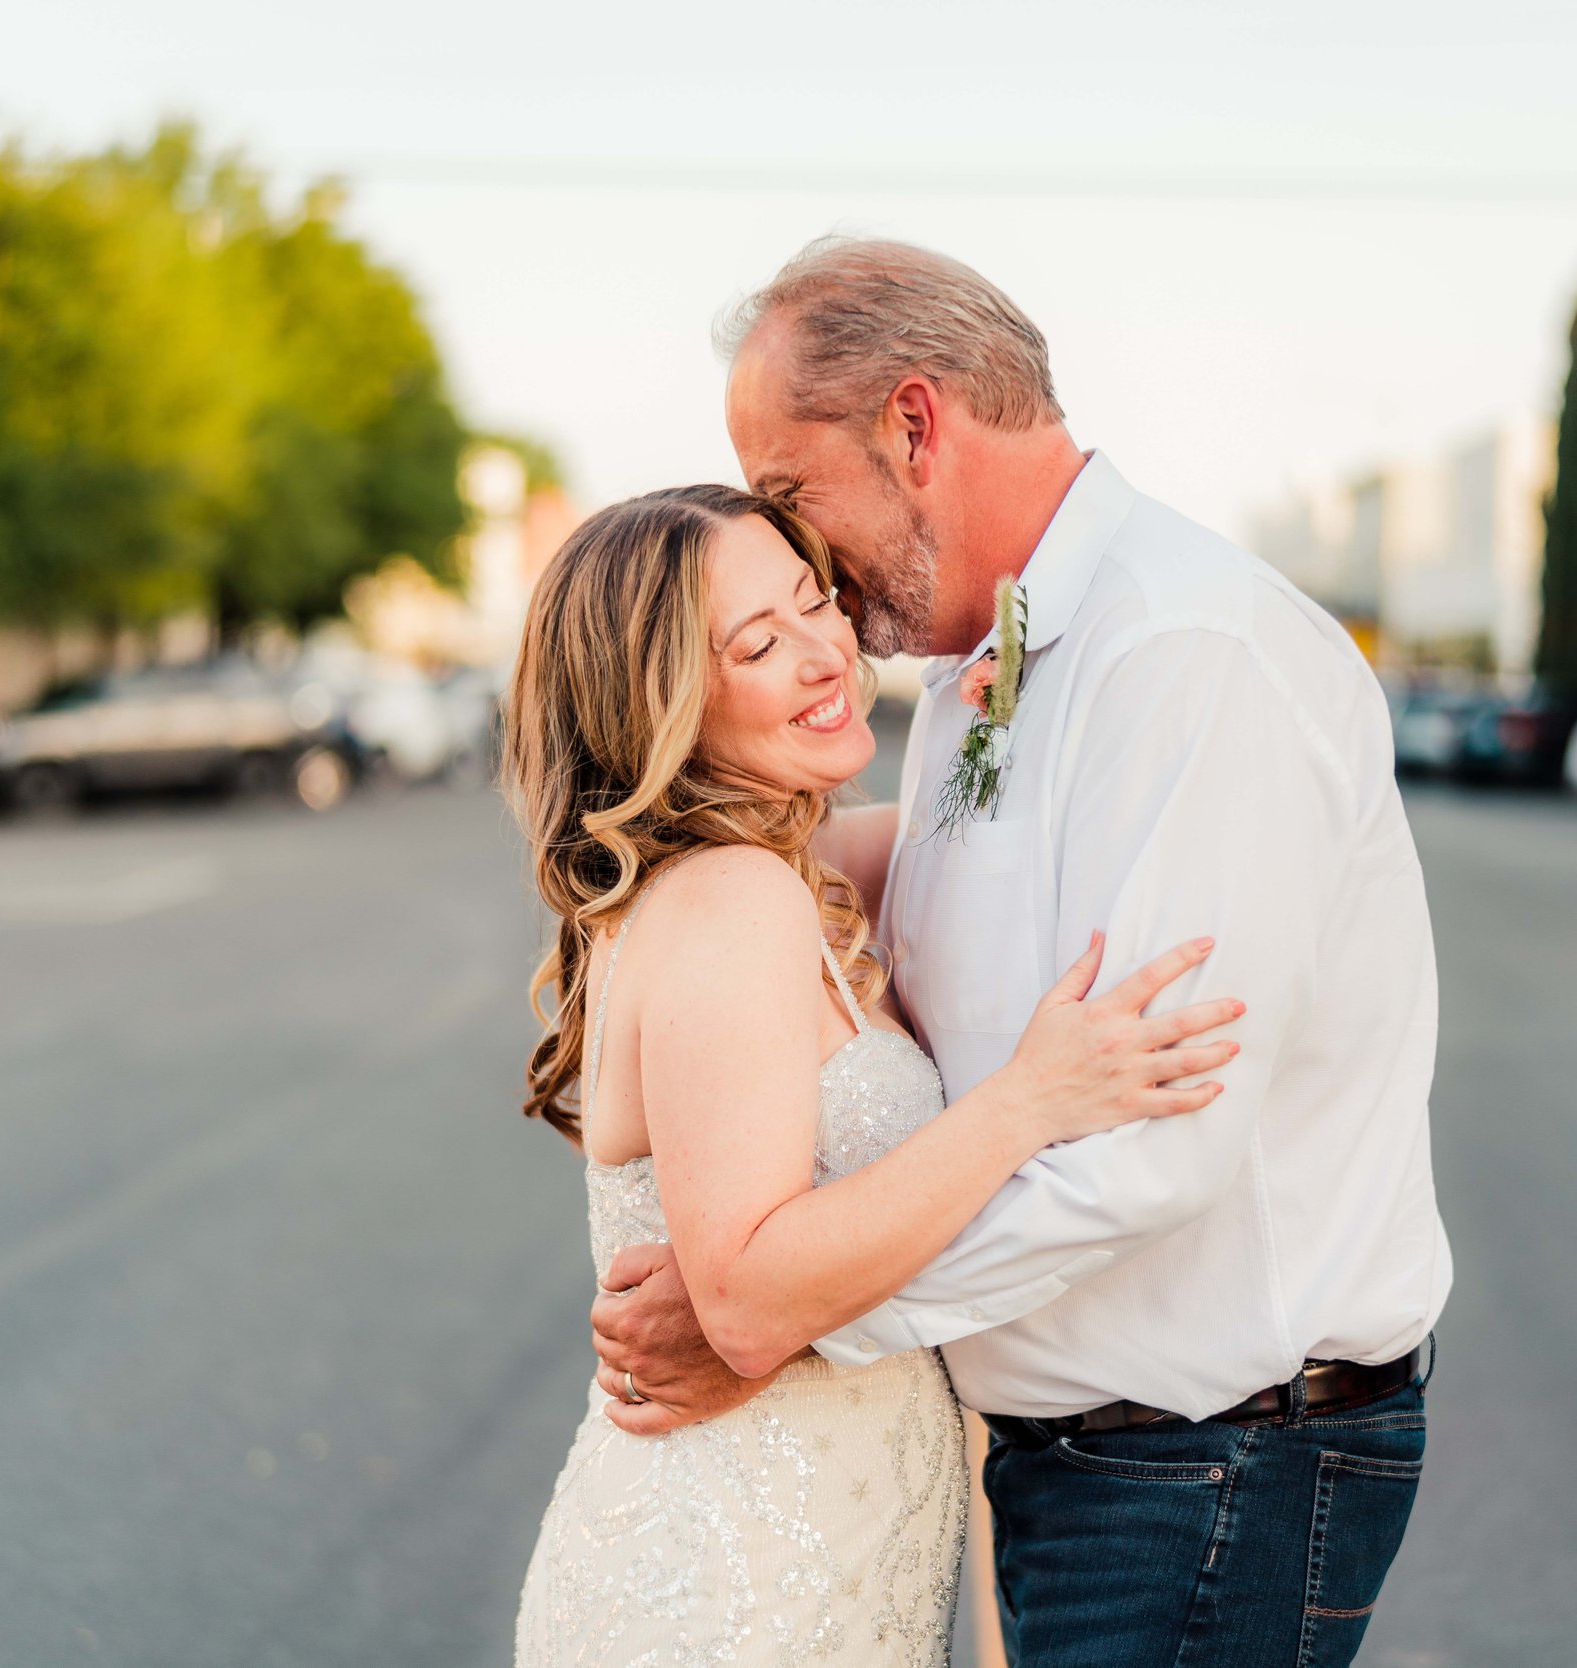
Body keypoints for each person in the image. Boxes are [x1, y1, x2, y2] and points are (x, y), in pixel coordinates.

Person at [590, 239, 1452, 1668]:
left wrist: (790, 1322)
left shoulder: (1183, 654)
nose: (802, 557)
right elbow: (885, 908)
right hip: (1088, 1466)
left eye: (793, 496)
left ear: (915, 427)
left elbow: (1148, 1153)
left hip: (1213, 1472)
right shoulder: (980, 666)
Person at [503, 485, 1245, 1665]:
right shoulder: (732, 899)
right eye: (757, 645)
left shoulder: (799, 871)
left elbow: (986, 829)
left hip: (824, 1563)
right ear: (663, 705)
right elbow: (741, 1294)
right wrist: (1029, 1102)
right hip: (735, 1590)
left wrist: (1011, 676)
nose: (823, 655)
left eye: (815, 604)